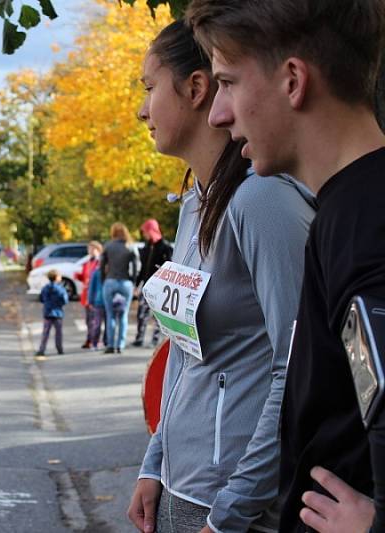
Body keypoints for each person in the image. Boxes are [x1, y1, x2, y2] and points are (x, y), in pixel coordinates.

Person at [187, 1, 385, 531]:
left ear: (293, 80)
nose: (217, 114)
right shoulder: (341, 214)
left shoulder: (363, 229)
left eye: (227, 82)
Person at [127, 20, 315, 533]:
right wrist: (154, 461)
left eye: (149, 88)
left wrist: (233, 508)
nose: (142, 109)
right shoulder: (194, 205)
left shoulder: (263, 201)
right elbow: (185, 354)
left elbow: (296, 368)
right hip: (179, 488)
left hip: (239, 511)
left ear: (195, 88)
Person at [132, 219, 173, 348]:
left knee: (157, 316)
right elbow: (143, 268)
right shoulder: (147, 246)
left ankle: (155, 339)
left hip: (159, 287)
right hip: (146, 286)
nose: (144, 234)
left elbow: (170, 266)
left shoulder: (165, 247)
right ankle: (139, 338)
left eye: (145, 231)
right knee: (142, 313)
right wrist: (137, 285)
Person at [100, 223, 138, 354]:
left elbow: (101, 265)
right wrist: (133, 282)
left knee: (110, 315)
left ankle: (110, 345)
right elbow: (135, 267)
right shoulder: (129, 247)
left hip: (110, 281)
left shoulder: (108, 246)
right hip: (125, 282)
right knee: (123, 316)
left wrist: (103, 280)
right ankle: (120, 345)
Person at [74, 241, 102, 349]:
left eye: (91, 249)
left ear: (97, 249)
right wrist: (79, 276)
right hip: (86, 293)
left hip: (95, 294)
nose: (89, 251)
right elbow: (86, 276)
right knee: (88, 319)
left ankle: (94, 339)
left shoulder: (100, 262)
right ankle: (89, 338)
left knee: (95, 319)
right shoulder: (87, 262)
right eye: (89, 249)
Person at [35, 269, 68, 357]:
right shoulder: (61, 289)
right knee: (58, 332)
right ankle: (59, 348)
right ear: (57, 278)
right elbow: (65, 300)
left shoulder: (45, 288)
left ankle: (42, 349)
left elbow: (41, 298)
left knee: (45, 332)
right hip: (58, 313)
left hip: (48, 312)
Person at [86, 262, 105, 351]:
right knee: (100, 324)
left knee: (98, 323)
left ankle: (96, 343)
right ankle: (96, 342)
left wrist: (90, 301)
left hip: (99, 301)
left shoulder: (97, 272)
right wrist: (90, 301)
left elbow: (91, 287)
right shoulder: (99, 272)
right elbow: (92, 287)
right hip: (101, 301)